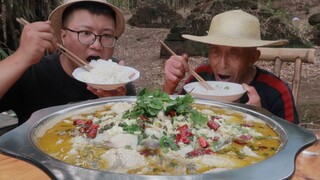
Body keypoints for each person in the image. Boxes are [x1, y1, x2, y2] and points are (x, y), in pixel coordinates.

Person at [0, 0, 136, 125]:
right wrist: (21, 56)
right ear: (63, 37)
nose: (97, 45)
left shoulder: (117, 79)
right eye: (85, 32)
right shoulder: (33, 72)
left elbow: (133, 130)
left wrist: (118, 104)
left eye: (107, 35)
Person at [163, 10, 299, 124]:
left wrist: (260, 118)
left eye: (234, 54)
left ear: (253, 57)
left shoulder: (276, 92)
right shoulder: (200, 79)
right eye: (216, 52)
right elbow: (167, 118)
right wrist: (169, 86)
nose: (222, 64)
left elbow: (294, 144)